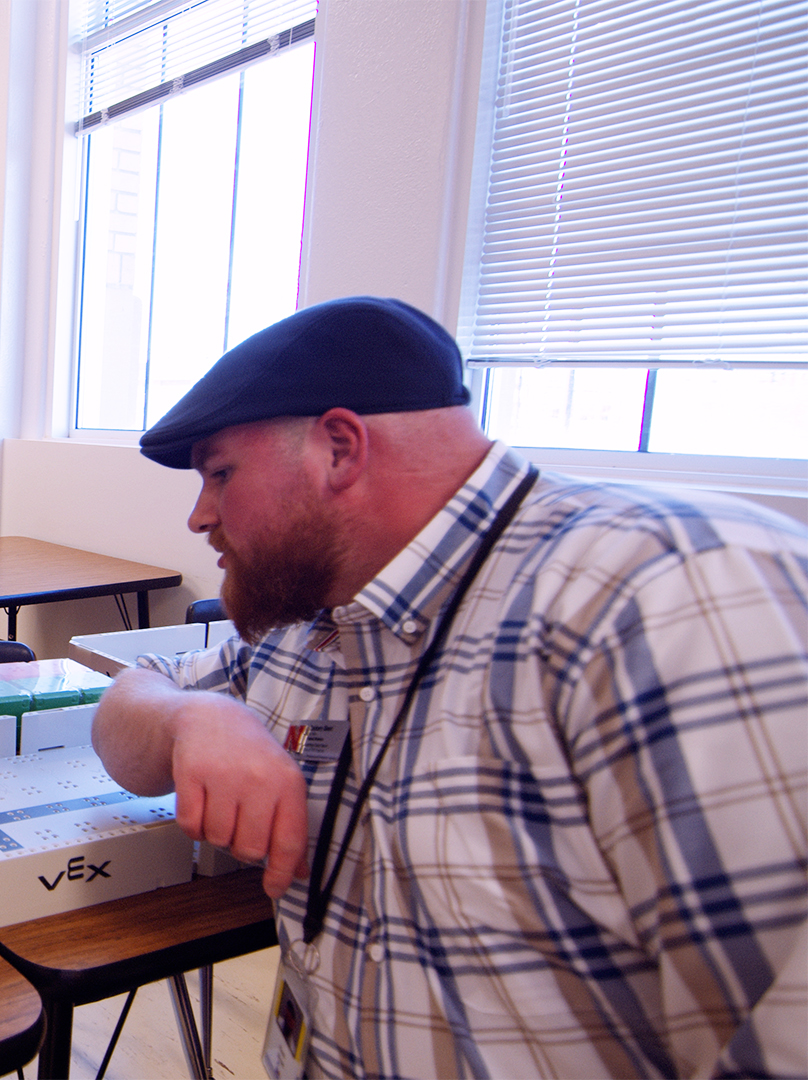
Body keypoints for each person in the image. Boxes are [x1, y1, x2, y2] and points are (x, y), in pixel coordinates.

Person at [91, 296, 808, 1078]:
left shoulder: (670, 591)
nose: (200, 516)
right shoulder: (321, 617)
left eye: (220, 473)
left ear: (339, 448)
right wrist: (192, 716)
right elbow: (131, 703)